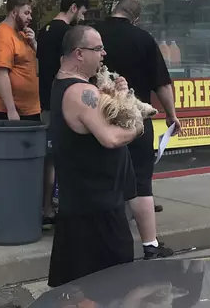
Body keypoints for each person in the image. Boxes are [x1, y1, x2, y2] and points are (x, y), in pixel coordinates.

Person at [48, 24, 142, 288]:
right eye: (98, 48)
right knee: (112, 287)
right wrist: (137, 128)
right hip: (97, 210)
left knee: (80, 288)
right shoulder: (83, 92)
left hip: (82, 206)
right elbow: (111, 137)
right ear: (79, 53)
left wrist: (117, 95)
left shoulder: (66, 84)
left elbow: (97, 118)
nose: (104, 53)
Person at [95, 0, 179, 260]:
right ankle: (150, 245)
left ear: (113, 10)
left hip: (99, 119)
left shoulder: (93, 36)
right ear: (136, 18)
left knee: (103, 181)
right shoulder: (143, 39)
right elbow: (163, 84)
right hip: (136, 120)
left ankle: (103, 243)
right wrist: (171, 115)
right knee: (141, 183)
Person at [36, 0, 89, 227]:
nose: (84, 18)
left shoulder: (44, 30)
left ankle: (46, 206)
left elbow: (40, 65)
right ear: (74, 8)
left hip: (45, 100)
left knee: (49, 158)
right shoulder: (68, 35)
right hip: (64, 100)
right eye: (83, 12)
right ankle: (56, 208)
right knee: (63, 157)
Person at [0, 0, 40, 121]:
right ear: (14, 13)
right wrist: (11, 111)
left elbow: (37, 63)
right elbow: (1, 74)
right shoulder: (2, 36)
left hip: (29, 109)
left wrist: (33, 43)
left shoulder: (22, 34)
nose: (30, 18)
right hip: (12, 112)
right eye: (26, 13)